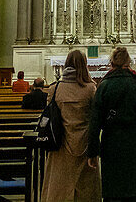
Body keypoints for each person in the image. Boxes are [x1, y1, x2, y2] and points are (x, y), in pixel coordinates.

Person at [88, 46, 136, 201]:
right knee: (133, 188)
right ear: (128, 62)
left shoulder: (104, 85)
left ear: (111, 63)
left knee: (112, 189)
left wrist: (93, 151)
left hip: (111, 141)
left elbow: (95, 121)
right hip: (133, 141)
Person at [41, 50, 101, 202]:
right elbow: (96, 119)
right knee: (86, 189)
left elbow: (50, 116)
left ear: (66, 63)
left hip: (61, 144)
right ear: (84, 64)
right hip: (84, 145)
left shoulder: (55, 88)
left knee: (59, 186)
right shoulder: (91, 89)